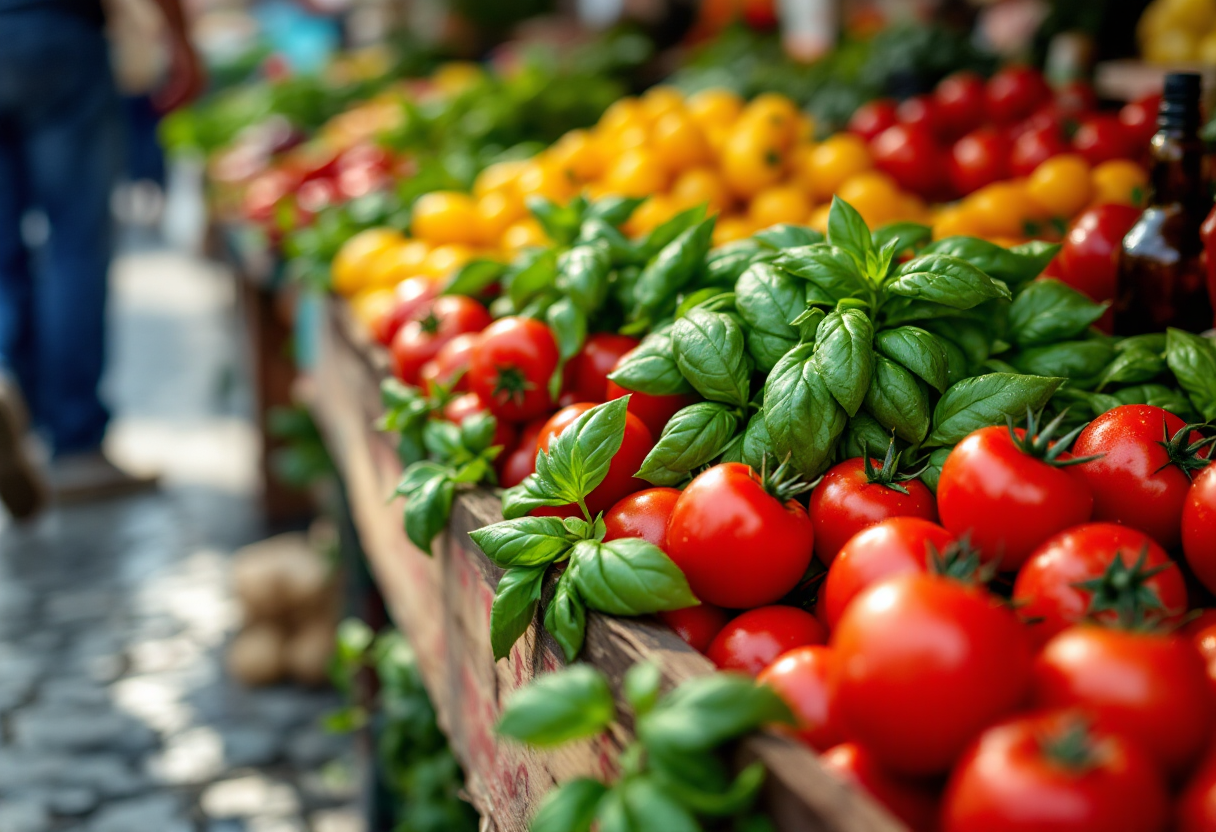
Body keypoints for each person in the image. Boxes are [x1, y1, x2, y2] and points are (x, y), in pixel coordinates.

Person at [0, 0, 204, 515]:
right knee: (74, 244)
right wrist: (178, 37)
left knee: (2, 255)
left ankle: (7, 384)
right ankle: (74, 441)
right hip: (54, 30)